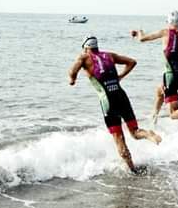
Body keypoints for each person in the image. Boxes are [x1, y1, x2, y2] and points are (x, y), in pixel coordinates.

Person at [68, 36, 161, 173]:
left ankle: (133, 170)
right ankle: (148, 134)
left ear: (86, 48)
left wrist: (72, 80)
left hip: (108, 101)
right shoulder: (109, 55)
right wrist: (121, 76)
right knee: (135, 132)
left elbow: (72, 71)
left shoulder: (83, 57)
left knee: (119, 138)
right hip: (121, 96)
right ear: (96, 47)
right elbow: (132, 62)